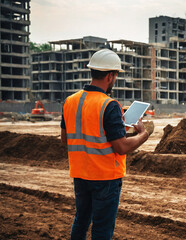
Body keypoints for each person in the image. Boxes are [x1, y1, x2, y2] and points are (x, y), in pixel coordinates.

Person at [60, 48, 149, 240]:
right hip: (105, 178)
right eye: (116, 75)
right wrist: (143, 134)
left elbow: (66, 138)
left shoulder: (70, 101)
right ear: (110, 75)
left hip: (80, 174)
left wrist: (119, 127)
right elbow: (121, 147)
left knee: (81, 220)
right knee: (102, 229)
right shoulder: (109, 105)